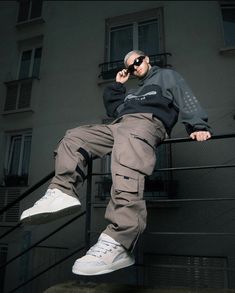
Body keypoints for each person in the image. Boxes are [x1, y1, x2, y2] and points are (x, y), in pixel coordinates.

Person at [20, 50, 212, 276]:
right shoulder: (133, 91)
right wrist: (118, 86)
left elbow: (185, 96)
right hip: (121, 125)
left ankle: (119, 240)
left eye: (138, 62)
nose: (135, 68)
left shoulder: (166, 77)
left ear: (147, 59)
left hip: (148, 124)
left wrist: (198, 126)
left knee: (128, 145)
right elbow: (115, 111)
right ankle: (62, 190)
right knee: (75, 136)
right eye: (130, 67)